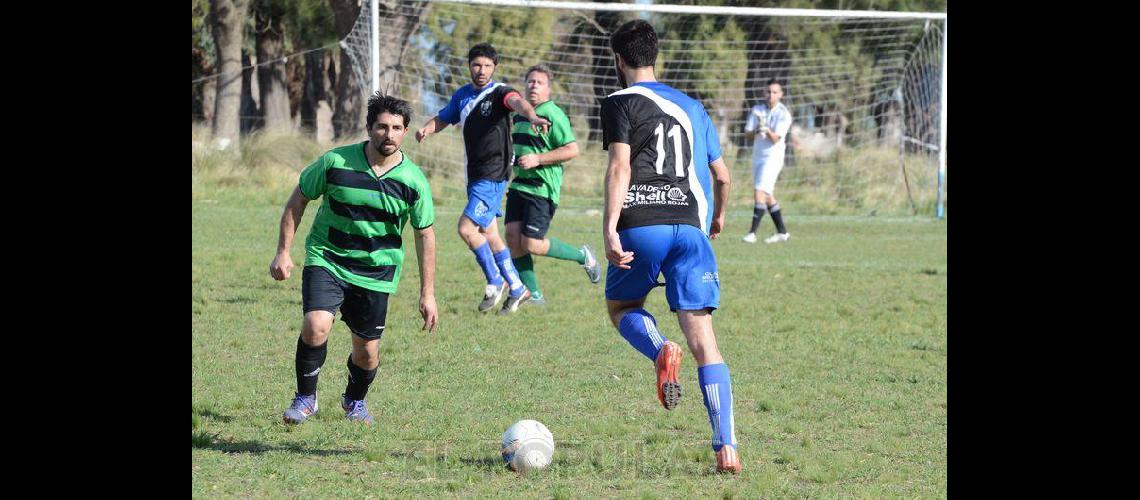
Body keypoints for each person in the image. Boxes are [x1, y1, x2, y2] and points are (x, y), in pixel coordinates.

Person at [600, 20, 741, 473]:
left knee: (622, 308)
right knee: (705, 343)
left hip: (642, 225)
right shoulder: (693, 107)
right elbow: (722, 175)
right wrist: (717, 217)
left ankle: (660, 349)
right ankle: (727, 447)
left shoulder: (620, 101)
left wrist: (608, 228)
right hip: (691, 229)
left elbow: (620, 167)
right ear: (654, 55)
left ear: (619, 60)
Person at [269, 93, 438, 426]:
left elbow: (425, 235)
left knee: (367, 351)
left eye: (396, 128)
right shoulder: (335, 163)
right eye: (381, 126)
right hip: (327, 257)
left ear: (405, 132)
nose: (388, 134)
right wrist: (283, 251)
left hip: (376, 272)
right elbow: (297, 201)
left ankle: (354, 401)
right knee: (316, 326)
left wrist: (427, 293)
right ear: (368, 127)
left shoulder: (414, 182)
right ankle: (305, 398)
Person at [416, 43, 552, 315]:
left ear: (494, 68)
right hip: (475, 176)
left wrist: (533, 116)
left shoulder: (500, 92)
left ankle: (494, 280)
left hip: (493, 175)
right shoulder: (462, 96)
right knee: (489, 234)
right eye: (477, 65)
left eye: (487, 66)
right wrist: (426, 129)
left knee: (466, 229)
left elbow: (518, 102)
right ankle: (517, 286)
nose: (481, 70)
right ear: (469, 66)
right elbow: (444, 118)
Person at [505, 64, 601, 306]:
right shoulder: (520, 115)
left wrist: (538, 159)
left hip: (542, 189)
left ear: (548, 88)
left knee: (532, 244)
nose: (533, 85)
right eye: (530, 81)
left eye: (539, 82)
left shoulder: (553, 114)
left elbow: (572, 149)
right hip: (519, 186)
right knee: (513, 239)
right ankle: (534, 295)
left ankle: (583, 256)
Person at [742, 79, 794, 244]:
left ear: (781, 94)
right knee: (768, 195)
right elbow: (748, 134)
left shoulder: (783, 114)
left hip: (773, 157)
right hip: (758, 156)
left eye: (774, 92)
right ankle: (782, 232)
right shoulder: (757, 109)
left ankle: (752, 233)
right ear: (764, 93)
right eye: (768, 92)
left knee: (759, 191)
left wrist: (766, 129)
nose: (771, 95)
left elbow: (776, 139)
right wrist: (758, 128)